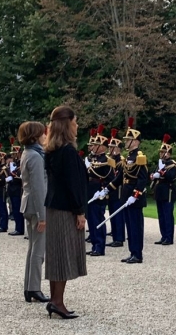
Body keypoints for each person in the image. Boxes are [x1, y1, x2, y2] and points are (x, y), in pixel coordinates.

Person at [42, 106, 87, 319]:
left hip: (54, 207)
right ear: (67, 124)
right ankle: (58, 302)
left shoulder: (52, 150)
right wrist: (80, 211)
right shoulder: (67, 152)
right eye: (75, 121)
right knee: (64, 254)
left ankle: (54, 300)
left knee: (57, 254)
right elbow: (73, 184)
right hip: (65, 209)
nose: (77, 125)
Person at [17, 121, 51, 303]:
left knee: (33, 249)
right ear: (35, 136)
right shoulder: (36, 156)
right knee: (38, 250)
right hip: (36, 206)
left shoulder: (29, 153)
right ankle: (34, 288)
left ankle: (29, 287)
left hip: (28, 204)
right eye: (42, 134)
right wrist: (43, 216)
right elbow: (39, 188)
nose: (45, 136)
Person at [119, 117, 149, 264]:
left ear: (135, 141)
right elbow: (121, 177)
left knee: (136, 226)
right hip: (126, 196)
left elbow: (143, 179)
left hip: (134, 198)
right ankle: (132, 252)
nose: (126, 142)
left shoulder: (139, 157)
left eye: (128, 139)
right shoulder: (128, 157)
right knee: (129, 226)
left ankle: (138, 254)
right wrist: (107, 189)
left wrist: (135, 195)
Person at [84, 125, 111, 256]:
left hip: (98, 192)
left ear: (102, 147)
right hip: (89, 192)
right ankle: (95, 244)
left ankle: (100, 246)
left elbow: (108, 177)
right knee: (91, 219)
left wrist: (89, 167)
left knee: (98, 219)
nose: (93, 147)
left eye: (95, 144)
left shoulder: (107, 160)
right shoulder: (92, 159)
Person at [152, 134, 176, 246]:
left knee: (168, 215)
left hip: (168, 191)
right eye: (160, 152)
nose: (161, 154)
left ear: (168, 153)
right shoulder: (160, 164)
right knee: (161, 215)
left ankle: (169, 237)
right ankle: (163, 236)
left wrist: (162, 172)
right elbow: (155, 173)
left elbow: (172, 176)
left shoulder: (172, 165)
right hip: (159, 191)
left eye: (163, 152)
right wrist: (153, 175)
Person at [104, 129, 126, 247]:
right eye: (110, 147)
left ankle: (119, 238)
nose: (110, 149)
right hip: (112, 191)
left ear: (118, 149)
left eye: (113, 147)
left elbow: (118, 177)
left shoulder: (121, 162)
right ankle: (115, 235)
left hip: (118, 191)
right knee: (112, 213)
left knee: (118, 215)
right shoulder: (110, 160)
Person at [7, 147, 26, 237]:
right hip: (12, 187)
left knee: (18, 209)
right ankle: (17, 228)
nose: (13, 155)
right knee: (14, 209)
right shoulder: (14, 164)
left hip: (18, 187)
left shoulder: (21, 163)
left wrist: (15, 175)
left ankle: (20, 228)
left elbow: (22, 176)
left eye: (15, 153)